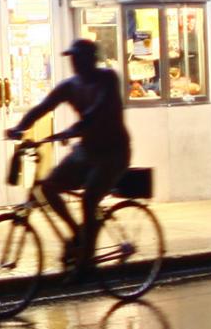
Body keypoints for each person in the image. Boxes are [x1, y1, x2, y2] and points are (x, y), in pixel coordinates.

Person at [7, 38, 131, 267]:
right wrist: (20, 127)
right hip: (87, 149)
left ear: (91, 60)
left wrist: (70, 131)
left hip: (113, 152)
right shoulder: (70, 86)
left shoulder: (107, 79)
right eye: (72, 59)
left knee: (89, 199)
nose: (74, 63)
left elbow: (98, 112)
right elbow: (43, 107)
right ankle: (78, 234)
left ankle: (86, 260)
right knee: (48, 186)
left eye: (79, 58)